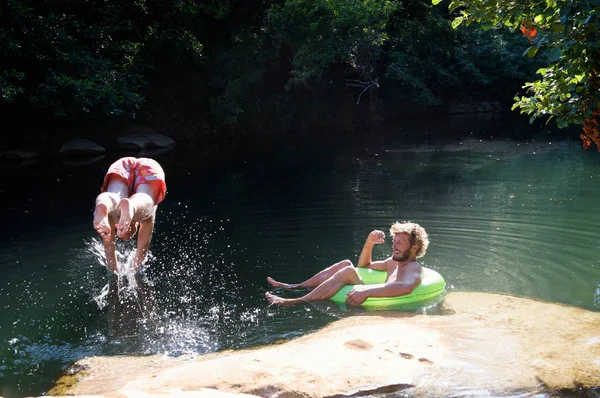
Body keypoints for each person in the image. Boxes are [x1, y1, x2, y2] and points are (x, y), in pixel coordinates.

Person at [265, 221, 429, 306]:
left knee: (349, 271)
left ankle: (296, 301)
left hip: (383, 304)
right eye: (394, 241)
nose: (394, 246)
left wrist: (367, 291)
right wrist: (369, 242)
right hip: (370, 292)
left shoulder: (414, 268)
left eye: (400, 243)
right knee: (345, 263)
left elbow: (406, 287)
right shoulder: (392, 263)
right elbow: (364, 267)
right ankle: (297, 286)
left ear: (414, 247)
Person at [92, 157, 167, 273]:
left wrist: (114, 270)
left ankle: (103, 204)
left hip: (123, 164)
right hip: (146, 165)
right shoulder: (144, 220)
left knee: (116, 197)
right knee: (146, 204)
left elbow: (109, 246)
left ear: (118, 226)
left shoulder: (112, 216)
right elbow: (142, 248)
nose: (128, 237)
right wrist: (134, 269)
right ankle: (128, 206)